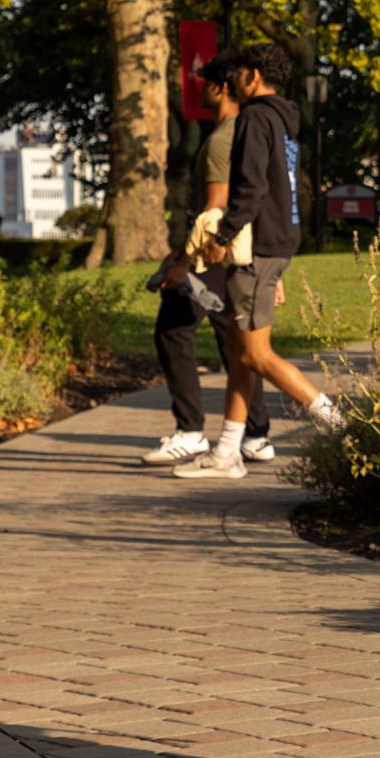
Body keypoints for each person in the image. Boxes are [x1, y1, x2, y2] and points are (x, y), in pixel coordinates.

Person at [174, 44, 347, 480]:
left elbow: (250, 188)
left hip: (258, 246)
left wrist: (223, 236)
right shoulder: (283, 119)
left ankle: (344, 426)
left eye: (237, 74)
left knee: (256, 353)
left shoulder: (254, 118)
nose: (231, 81)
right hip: (276, 241)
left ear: (252, 76)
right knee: (239, 353)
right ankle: (226, 454)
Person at [141, 53, 273, 466]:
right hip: (240, 250)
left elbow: (215, 207)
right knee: (235, 339)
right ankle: (256, 435)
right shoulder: (247, 131)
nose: (198, 88)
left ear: (221, 87)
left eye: (205, 82)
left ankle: (190, 432)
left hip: (214, 251)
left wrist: (183, 259)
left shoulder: (221, 139)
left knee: (172, 330)